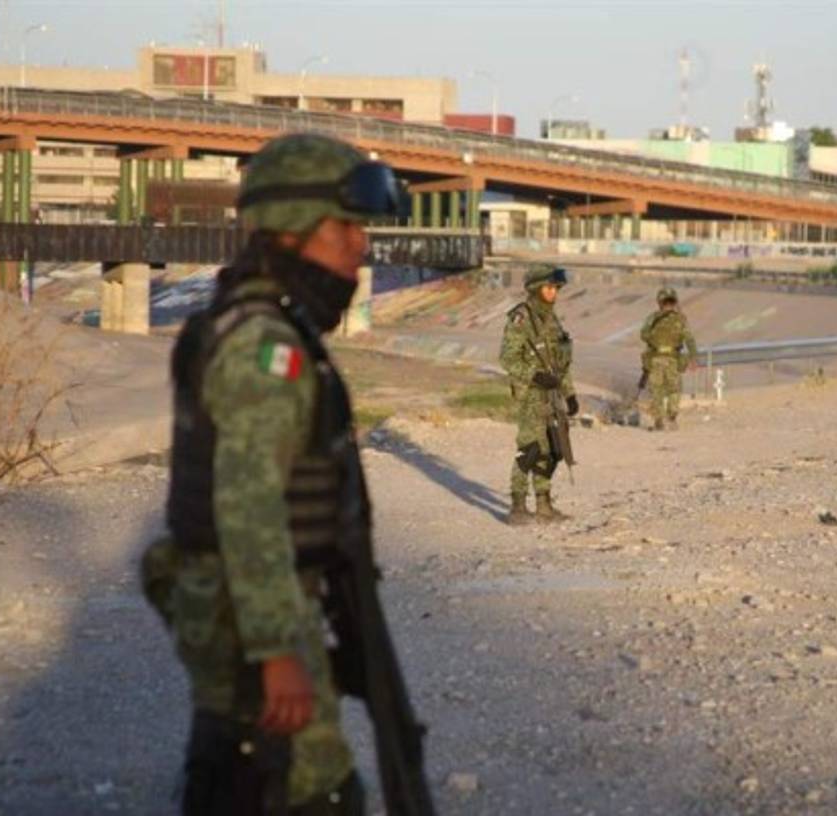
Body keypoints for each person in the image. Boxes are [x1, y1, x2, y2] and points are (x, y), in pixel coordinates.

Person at [140, 133, 431, 815]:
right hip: (246, 613)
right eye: (344, 228)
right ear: (292, 232)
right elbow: (249, 506)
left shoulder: (261, 327)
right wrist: (276, 649)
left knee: (250, 772)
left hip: (247, 603)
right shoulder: (265, 347)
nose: (360, 246)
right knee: (307, 788)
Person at [499, 264, 578, 525]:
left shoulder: (552, 320)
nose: (553, 292)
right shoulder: (521, 318)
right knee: (530, 448)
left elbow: (560, 363)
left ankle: (544, 504)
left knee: (553, 449)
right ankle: (518, 505)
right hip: (530, 394)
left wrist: (570, 394)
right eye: (548, 288)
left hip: (552, 396)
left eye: (556, 288)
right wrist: (534, 376)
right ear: (535, 289)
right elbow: (508, 359)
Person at [640, 286, 698, 431]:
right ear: (674, 301)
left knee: (657, 391)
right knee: (674, 390)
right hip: (673, 359)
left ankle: (659, 420)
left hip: (656, 359)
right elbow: (689, 339)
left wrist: (656, 340)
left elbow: (643, 335)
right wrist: (693, 358)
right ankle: (671, 418)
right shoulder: (681, 319)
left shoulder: (653, 318)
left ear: (659, 301)